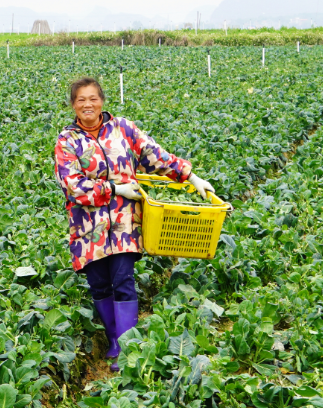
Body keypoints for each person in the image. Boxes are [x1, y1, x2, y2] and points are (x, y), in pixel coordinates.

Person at [54, 77, 215, 371]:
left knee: (123, 281)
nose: (87, 105)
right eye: (81, 100)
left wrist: (191, 177)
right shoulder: (67, 141)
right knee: (99, 284)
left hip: (125, 223)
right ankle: (114, 339)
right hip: (88, 228)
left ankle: (126, 345)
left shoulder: (123, 129)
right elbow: (72, 185)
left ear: (102, 100)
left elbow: (155, 155)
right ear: (73, 105)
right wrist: (114, 189)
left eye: (93, 98)